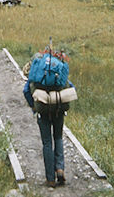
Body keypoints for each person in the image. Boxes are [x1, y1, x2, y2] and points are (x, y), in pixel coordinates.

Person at [23, 49, 73, 189]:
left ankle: (50, 179)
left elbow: (26, 91)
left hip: (43, 112)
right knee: (58, 138)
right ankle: (60, 169)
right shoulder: (58, 69)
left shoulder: (36, 74)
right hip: (58, 110)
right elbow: (71, 86)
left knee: (47, 143)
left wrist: (34, 107)